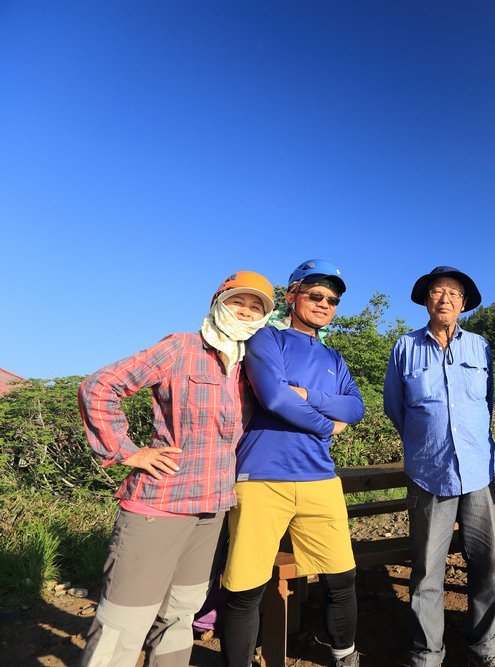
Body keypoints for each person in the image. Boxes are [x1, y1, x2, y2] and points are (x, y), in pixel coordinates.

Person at [77, 271, 274, 667]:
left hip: (212, 509)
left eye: (257, 307)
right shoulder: (181, 348)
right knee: (124, 622)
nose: (246, 312)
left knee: (181, 616)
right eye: (239, 302)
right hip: (160, 506)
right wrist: (127, 451)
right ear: (218, 303)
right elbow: (99, 387)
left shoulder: (250, 366)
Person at [221, 259, 365, 667]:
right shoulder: (266, 339)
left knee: (343, 578)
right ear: (292, 295)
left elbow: (356, 408)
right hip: (261, 477)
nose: (324, 304)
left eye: (332, 300)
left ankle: (344, 656)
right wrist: (326, 425)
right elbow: (274, 397)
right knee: (246, 587)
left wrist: (309, 395)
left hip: (320, 478)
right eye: (315, 295)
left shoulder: (334, 358)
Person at [383, 266, 495, 667]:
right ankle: (426, 655)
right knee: (426, 573)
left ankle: (485, 649)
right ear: (425, 300)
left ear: (464, 304)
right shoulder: (405, 347)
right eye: (437, 292)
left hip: (477, 472)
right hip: (428, 472)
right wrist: (426, 443)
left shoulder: (480, 347)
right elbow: (394, 406)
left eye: (454, 294)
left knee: (487, 567)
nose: (445, 300)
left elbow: (487, 402)